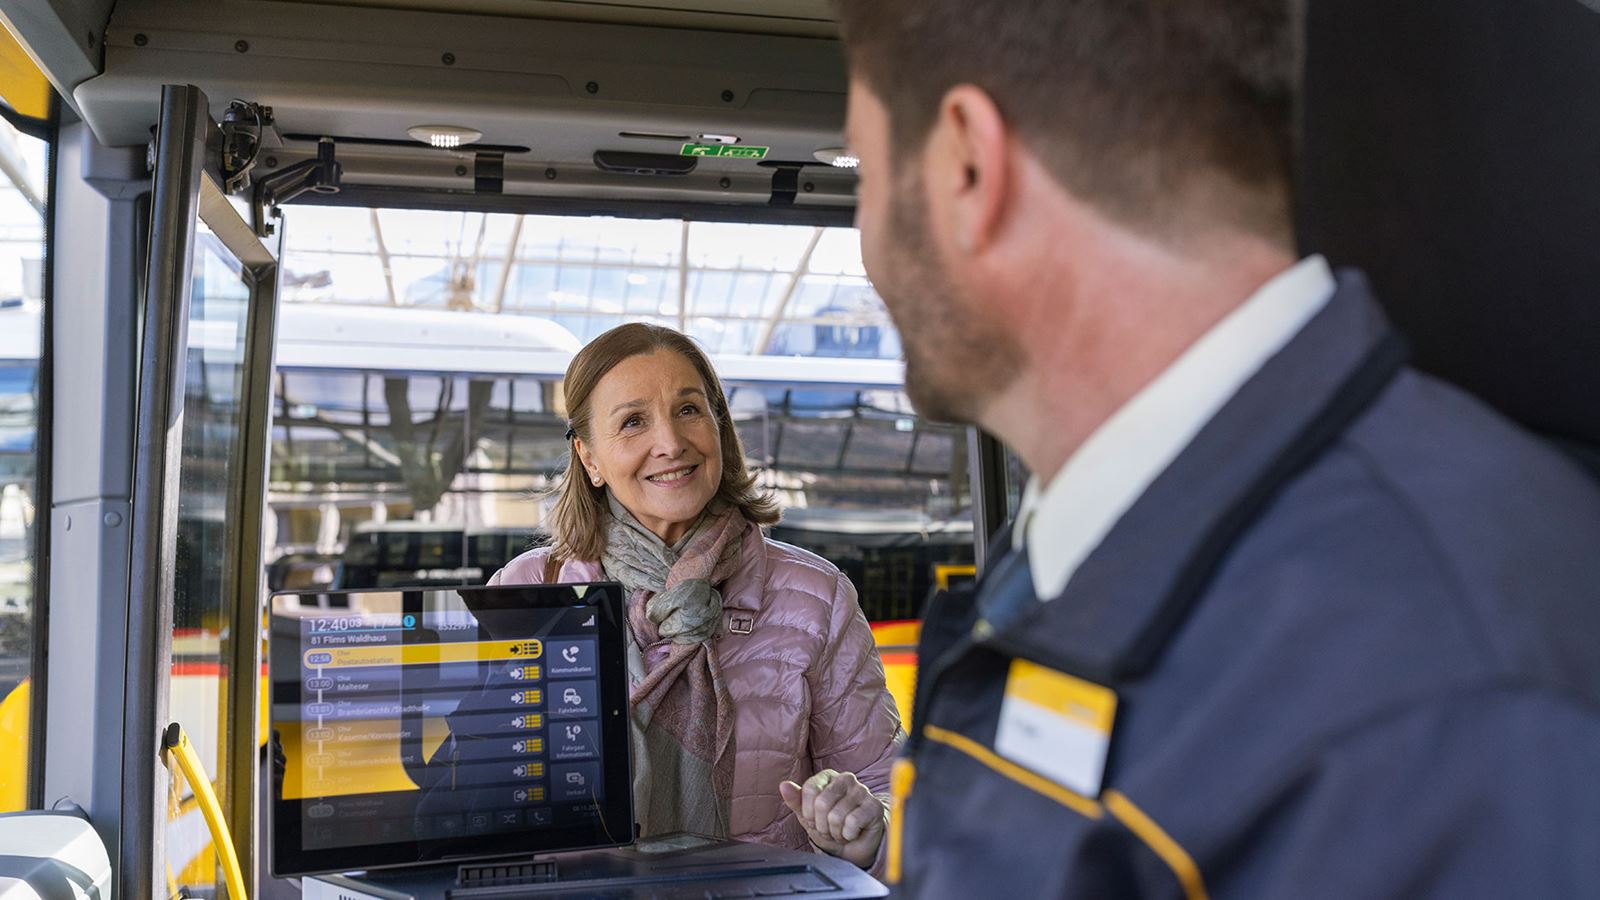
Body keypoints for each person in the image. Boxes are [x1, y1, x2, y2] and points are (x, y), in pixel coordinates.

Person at [832, 1, 1600, 897]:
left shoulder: (1458, 708)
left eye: (865, 173)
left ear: (968, 162)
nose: (866, 235)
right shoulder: (1085, 553)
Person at [489, 322, 902, 872]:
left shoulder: (817, 597)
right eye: (633, 421)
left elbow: (888, 790)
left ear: (718, 427)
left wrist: (865, 838)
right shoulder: (528, 594)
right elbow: (476, 795)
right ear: (589, 459)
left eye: (688, 410)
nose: (671, 442)